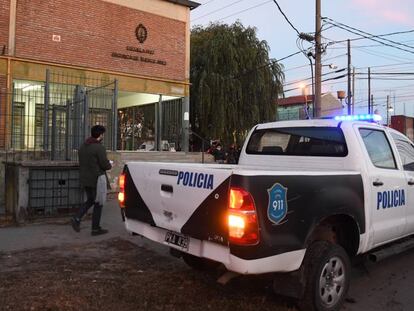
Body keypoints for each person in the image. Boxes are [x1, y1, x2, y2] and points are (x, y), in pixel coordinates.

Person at [71, 125, 112, 236]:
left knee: (90, 200)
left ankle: (77, 218)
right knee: (98, 202)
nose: (103, 136)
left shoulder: (83, 146)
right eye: (103, 134)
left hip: (85, 179)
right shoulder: (99, 148)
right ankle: (95, 229)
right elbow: (105, 164)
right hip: (96, 179)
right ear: (100, 135)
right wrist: (109, 164)